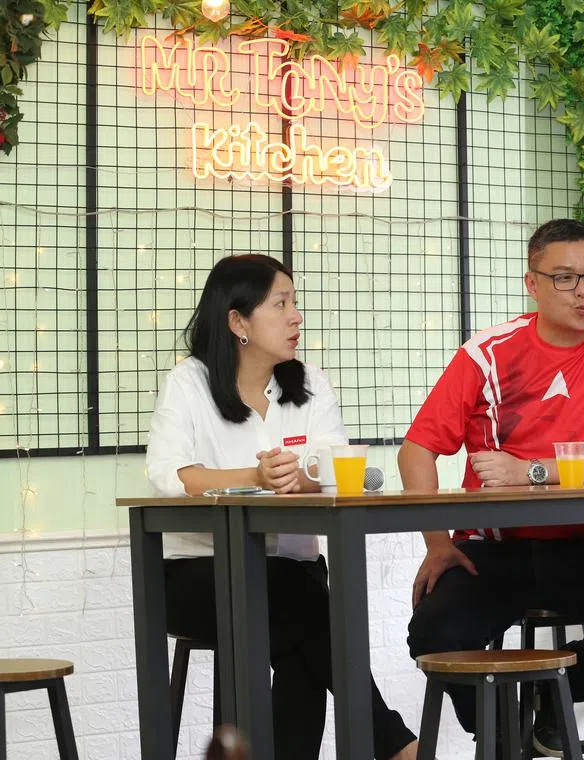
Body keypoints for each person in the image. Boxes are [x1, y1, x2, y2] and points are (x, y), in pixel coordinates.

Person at [399, 219, 584, 757]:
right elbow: (417, 450)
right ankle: (502, 732)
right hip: (491, 550)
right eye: (566, 278)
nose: (583, 292)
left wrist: (528, 470)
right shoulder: (488, 352)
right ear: (532, 283)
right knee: (431, 631)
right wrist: (438, 544)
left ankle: (558, 699)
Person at [146, 254, 418, 760]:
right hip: (197, 576)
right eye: (281, 304)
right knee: (306, 609)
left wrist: (304, 475)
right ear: (237, 321)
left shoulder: (309, 382)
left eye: (296, 302)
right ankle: (397, 744)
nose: (297, 316)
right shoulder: (190, 381)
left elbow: (334, 462)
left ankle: (390, 744)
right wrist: (254, 477)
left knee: (300, 627)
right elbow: (170, 474)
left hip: (290, 574)